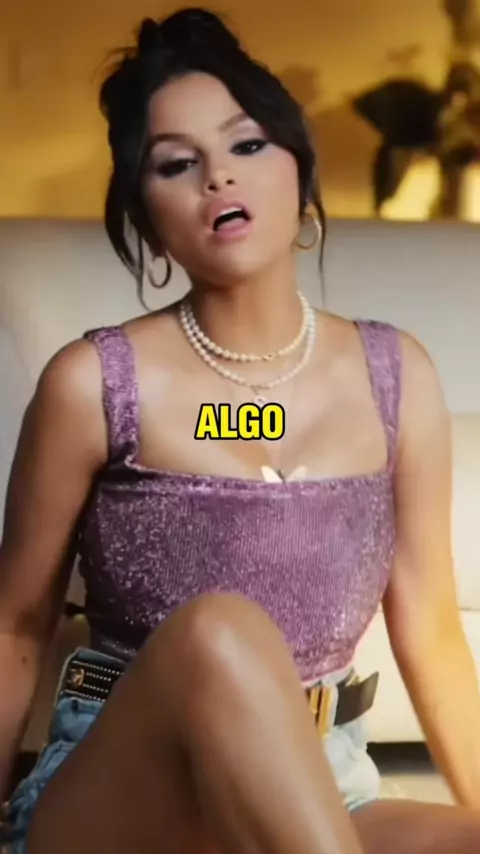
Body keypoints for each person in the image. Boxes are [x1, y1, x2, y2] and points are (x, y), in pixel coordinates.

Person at [1, 7, 480, 853]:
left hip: (328, 787)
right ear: (146, 216)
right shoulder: (93, 383)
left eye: (247, 145)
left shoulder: (397, 376)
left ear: (299, 166)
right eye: (177, 164)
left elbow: (434, 631)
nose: (218, 177)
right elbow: (15, 626)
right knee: (220, 627)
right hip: (120, 802)